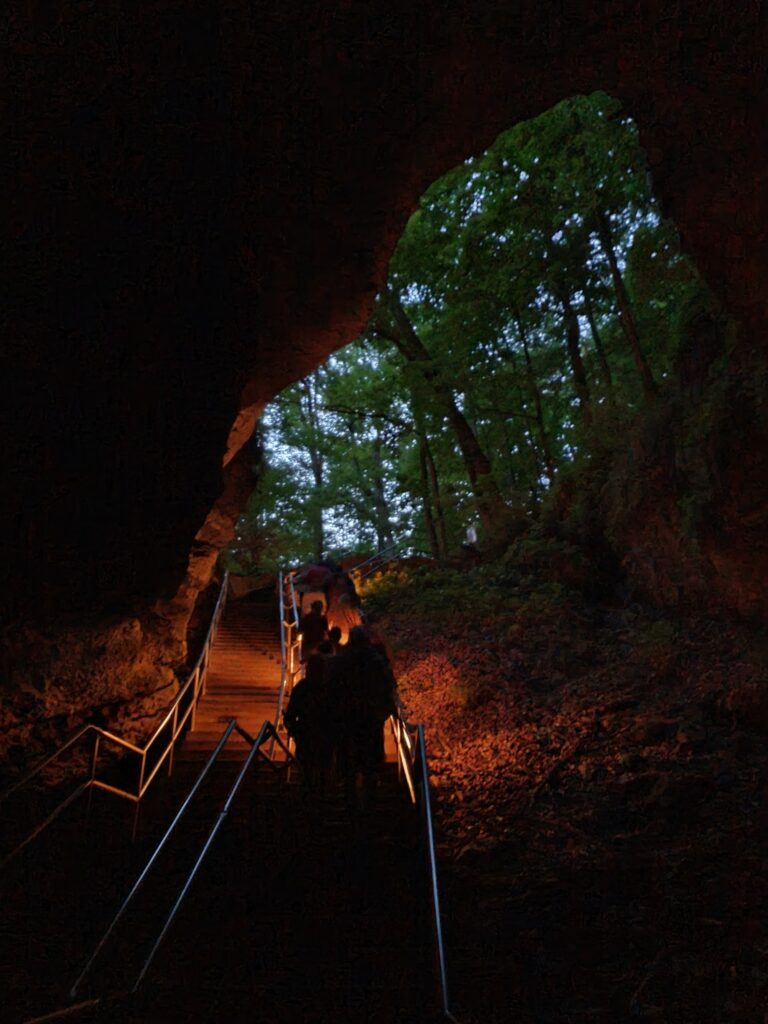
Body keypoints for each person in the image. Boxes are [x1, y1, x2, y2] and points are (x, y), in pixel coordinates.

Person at [333, 626, 397, 811]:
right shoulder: (376, 662)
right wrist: (384, 710)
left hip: (347, 719)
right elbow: (388, 686)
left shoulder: (341, 661)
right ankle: (370, 800)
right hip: (370, 719)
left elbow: (332, 688)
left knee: (349, 762)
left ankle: (350, 798)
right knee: (370, 761)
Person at [283, 656, 333, 792]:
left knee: (307, 770)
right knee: (323, 768)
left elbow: (291, 712)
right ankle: (321, 793)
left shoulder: (302, 688)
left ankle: (309, 794)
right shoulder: (331, 689)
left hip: (306, 733)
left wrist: (293, 728)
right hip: (324, 735)